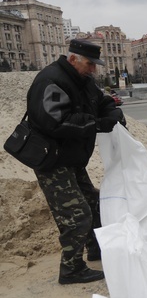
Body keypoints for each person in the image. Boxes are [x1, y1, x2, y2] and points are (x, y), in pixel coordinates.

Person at [26, 39, 126, 284]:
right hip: (52, 160)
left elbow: (101, 103)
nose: (94, 69)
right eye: (90, 64)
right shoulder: (50, 81)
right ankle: (71, 269)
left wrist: (113, 113)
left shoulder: (83, 80)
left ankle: (95, 249)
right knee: (76, 215)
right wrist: (95, 123)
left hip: (71, 158)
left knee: (93, 202)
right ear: (73, 59)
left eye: (95, 65)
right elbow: (55, 122)